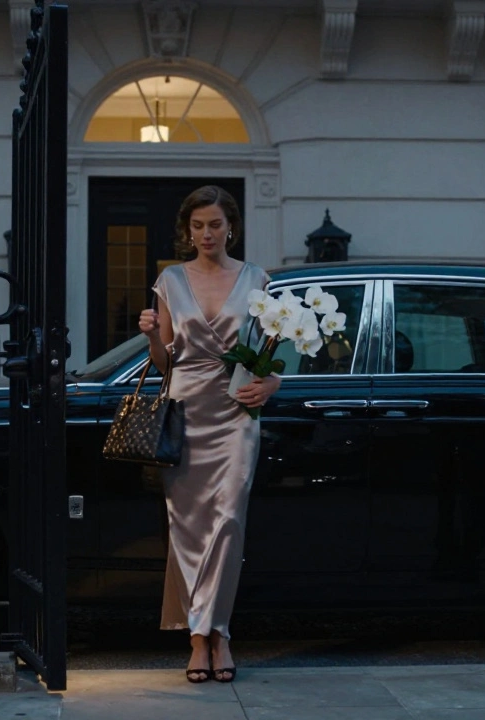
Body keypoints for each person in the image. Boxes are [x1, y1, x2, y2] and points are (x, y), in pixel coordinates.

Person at [137, 185, 280, 683]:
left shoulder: (257, 279)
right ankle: (201, 639)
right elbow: (164, 362)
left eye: (215, 224)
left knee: (229, 522)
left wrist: (273, 383)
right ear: (188, 230)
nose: (206, 234)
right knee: (188, 526)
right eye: (197, 226)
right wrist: (152, 335)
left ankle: (219, 631)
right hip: (186, 412)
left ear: (231, 226)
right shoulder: (170, 280)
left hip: (237, 412)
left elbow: (271, 350)